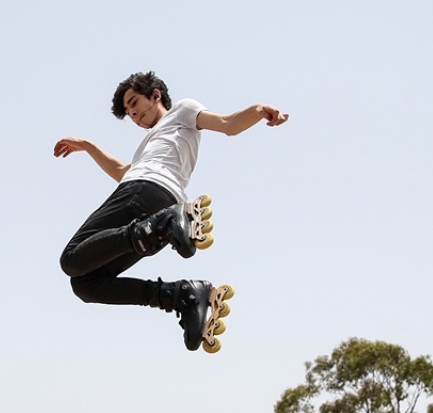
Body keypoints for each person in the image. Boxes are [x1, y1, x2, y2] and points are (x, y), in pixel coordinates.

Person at [53, 71, 287, 351]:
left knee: (71, 258)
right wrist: (88, 146)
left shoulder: (182, 110)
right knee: (85, 284)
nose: (133, 114)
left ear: (155, 95)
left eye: (134, 103)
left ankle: (157, 226)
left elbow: (227, 124)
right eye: (128, 112)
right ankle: (180, 295)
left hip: (145, 192)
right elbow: (120, 171)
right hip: (154, 201)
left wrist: (260, 110)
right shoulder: (150, 145)